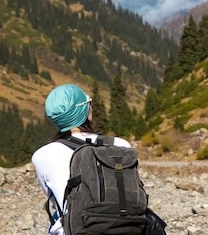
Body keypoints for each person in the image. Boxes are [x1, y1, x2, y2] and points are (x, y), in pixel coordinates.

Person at [31, 83, 132, 235]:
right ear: (84, 109)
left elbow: (56, 199)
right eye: (88, 102)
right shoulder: (121, 145)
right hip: (127, 228)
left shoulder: (42, 155)